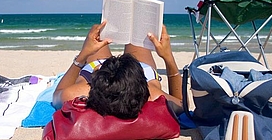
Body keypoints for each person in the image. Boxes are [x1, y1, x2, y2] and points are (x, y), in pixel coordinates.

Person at [52, 20, 183, 118]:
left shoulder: (81, 92)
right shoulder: (153, 95)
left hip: (108, 71)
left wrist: (82, 56)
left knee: (98, 33)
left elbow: (57, 94)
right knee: (138, 34)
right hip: (138, 73)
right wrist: (168, 58)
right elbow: (182, 104)